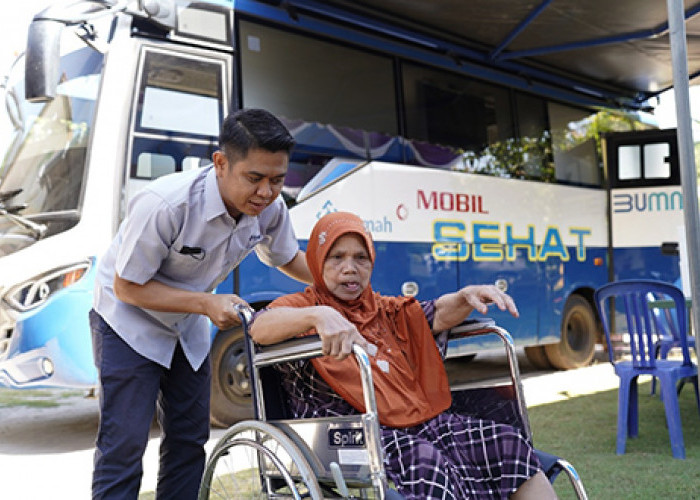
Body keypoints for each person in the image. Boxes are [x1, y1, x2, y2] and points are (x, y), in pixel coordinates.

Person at [250, 211, 558, 500]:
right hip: (349, 434)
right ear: (317, 262)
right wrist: (317, 316)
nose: (349, 268)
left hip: (413, 419)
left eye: (361, 258)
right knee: (427, 463)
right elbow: (258, 327)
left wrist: (464, 297)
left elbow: (433, 313)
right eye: (336, 258)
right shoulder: (302, 305)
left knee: (506, 442)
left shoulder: (382, 308)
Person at [89, 108, 312, 499]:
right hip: (127, 322)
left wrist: (343, 283)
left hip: (186, 324)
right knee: (124, 446)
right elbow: (127, 287)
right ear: (221, 163)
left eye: (277, 180)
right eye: (254, 178)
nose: (266, 192)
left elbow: (287, 258)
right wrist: (206, 303)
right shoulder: (166, 204)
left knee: (190, 440)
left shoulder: (271, 209)